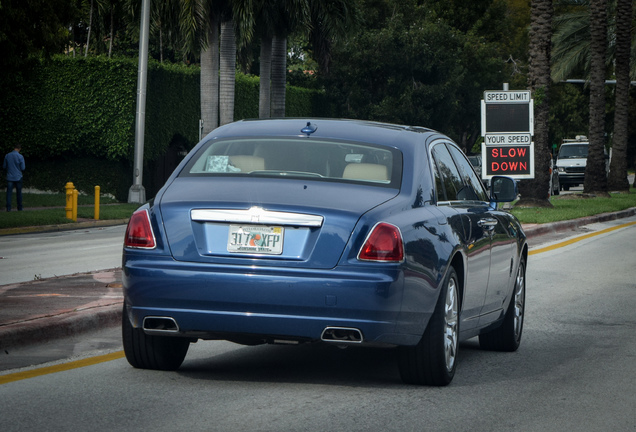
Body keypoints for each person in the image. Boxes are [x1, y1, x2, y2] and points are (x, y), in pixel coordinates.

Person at [3, 144, 26, 211]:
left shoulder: (7, 155)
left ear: (14, 148)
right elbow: (23, 168)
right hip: (18, 176)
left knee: (9, 193)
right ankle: (20, 207)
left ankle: (8, 208)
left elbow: (4, 166)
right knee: (19, 193)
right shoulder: (20, 156)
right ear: (19, 149)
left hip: (10, 176)